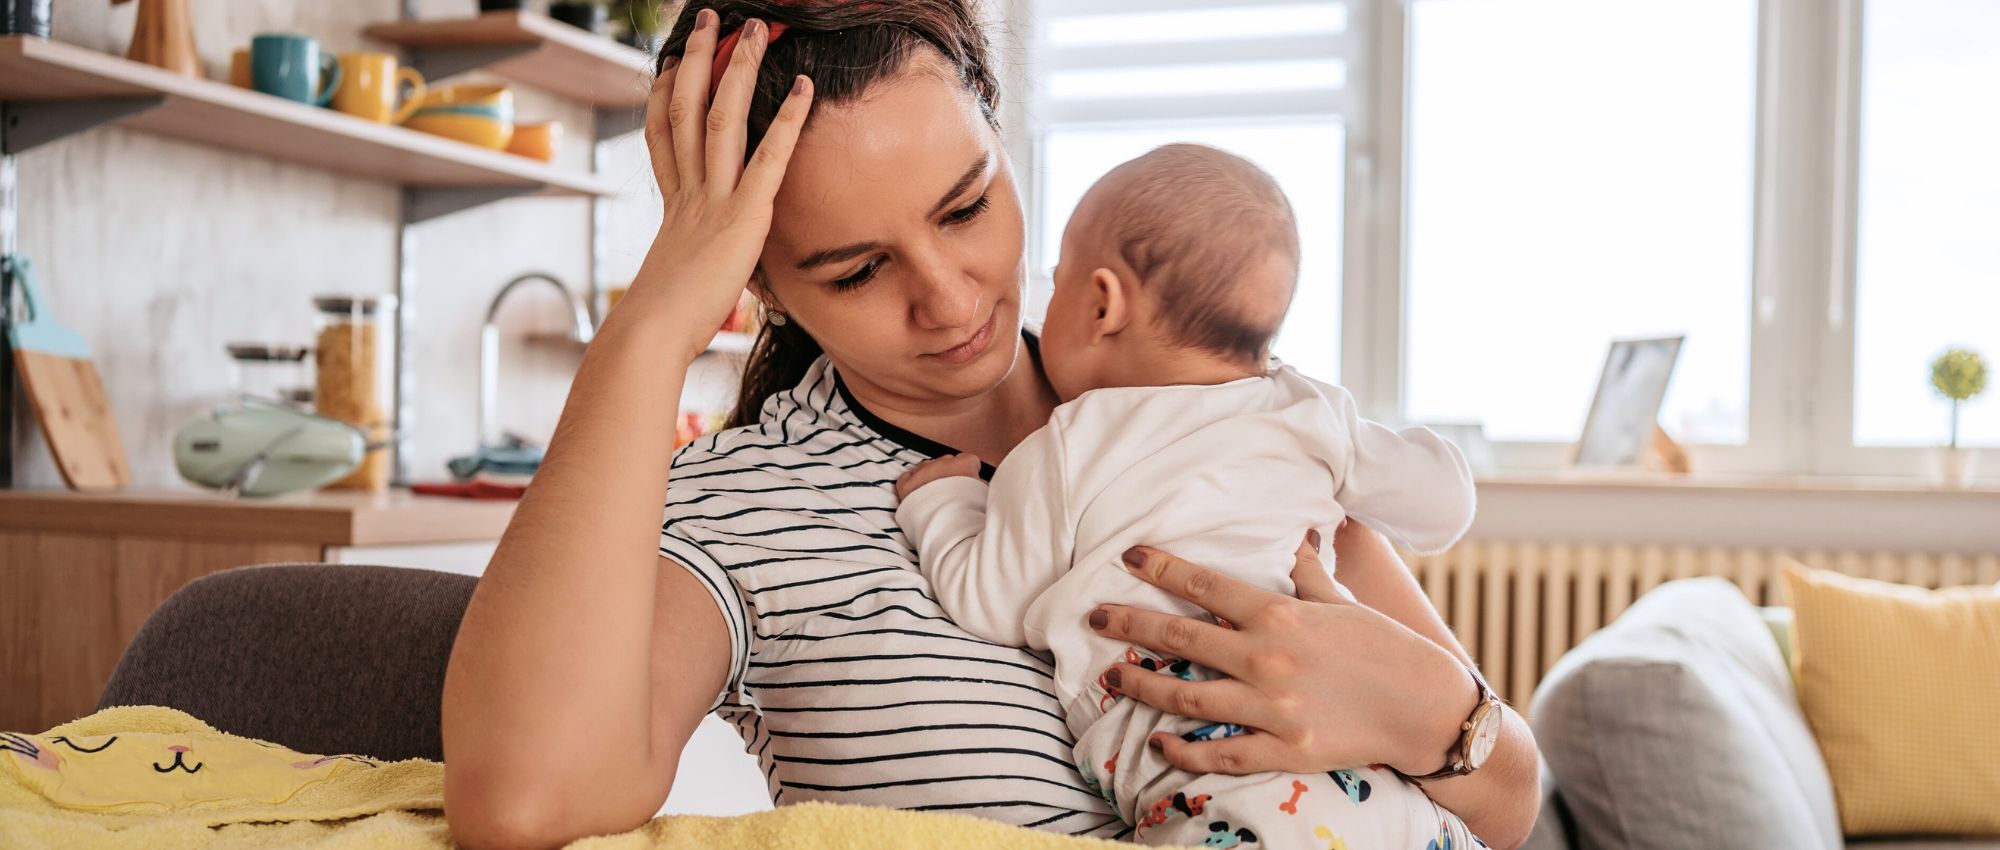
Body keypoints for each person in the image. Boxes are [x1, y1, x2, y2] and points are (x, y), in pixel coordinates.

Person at [438, 3, 1542, 849]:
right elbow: (526, 800)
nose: (950, 299)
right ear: (761, 281)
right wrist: (651, 326)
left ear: (1000, 132)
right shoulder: (751, 503)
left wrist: (1429, 713)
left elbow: (1509, 796)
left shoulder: (1208, 401)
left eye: (966, 206)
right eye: (857, 270)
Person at [891, 144, 1481, 848]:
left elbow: (988, 600)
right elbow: (1445, 509)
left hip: (1216, 783)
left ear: (1102, 303)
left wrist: (942, 501)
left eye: (1059, 278)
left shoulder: (1066, 444)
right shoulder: (1310, 410)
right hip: (1371, 766)